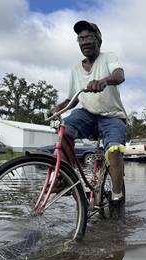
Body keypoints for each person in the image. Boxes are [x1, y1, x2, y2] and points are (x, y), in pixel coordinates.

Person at [51, 20, 127, 203]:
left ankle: (117, 194)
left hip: (112, 116)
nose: (84, 41)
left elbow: (120, 75)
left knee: (114, 151)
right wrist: (57, 108)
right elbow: (72, 99)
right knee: (65, 129)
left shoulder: (108, 57)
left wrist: (104, 81)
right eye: (81, 38)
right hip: (87, 114)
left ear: (98, 40)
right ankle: (64, 177)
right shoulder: (76, 69)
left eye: (88, 37)